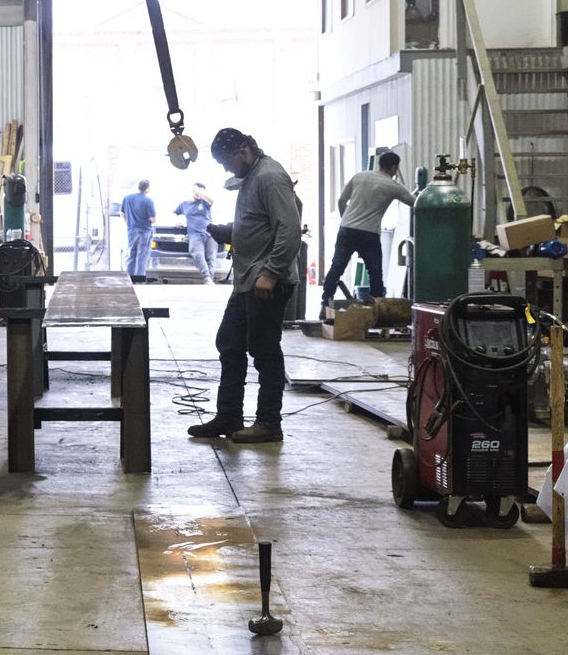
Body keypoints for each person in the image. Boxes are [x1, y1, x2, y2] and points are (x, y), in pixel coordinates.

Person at [189, 128, 301, 445]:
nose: (227, 169)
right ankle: (229, 415)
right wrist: (229, 232)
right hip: (248, 281)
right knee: (230, 343)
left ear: (243, 150)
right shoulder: (252, 177)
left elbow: (289, 229)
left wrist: (271, 272)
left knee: (264, 350)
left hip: (265, 281)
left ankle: (268, 422)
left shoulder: (269, 176)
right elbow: (258, 223)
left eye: (227, 162)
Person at [320, 150, 414, 318]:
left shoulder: (360, 176)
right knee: (375, 272)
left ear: (380, 164)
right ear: (394, 168)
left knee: (337, 267)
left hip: (346, 230)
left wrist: (346, 220)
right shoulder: (393, 186)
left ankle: (325, 302)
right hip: (368, 234)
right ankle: (376, 309)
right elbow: (415, 203)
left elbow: (341, 200)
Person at [174, 183, 218, 283]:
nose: (199, 193)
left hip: (210, 234)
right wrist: (177, 220)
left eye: (202, 191)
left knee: (211, 258)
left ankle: (209, 280)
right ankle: (207, 277)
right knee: (198, 254)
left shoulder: (205, 202)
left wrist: (200, 193)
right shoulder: (185, 204)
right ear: (192, 191)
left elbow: (212, 201)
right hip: (195, 235)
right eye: (197, 191)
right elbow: (176, 212)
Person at [119, 180, 157, 282]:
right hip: (144, 231)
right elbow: (153, 219)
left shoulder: (127, 198)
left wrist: (128, 222)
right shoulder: (148, 200)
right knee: (142, 257)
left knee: (131, 255)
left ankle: (129, 281)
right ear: (147, 188)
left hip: (131, 231)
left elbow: (121, 213)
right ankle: (139, 282)